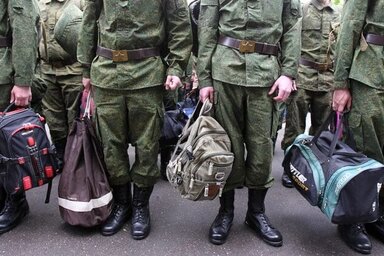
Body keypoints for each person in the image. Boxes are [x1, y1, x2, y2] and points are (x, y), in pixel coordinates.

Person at [77, 0, 192, 239]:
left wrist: (176, 67)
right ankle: (122, 204)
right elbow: (89, 19)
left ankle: (140, 206)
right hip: (107, 72)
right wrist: (86, 68)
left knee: (147, 145)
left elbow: (179, 23)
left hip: (147, 73)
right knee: (111, 144)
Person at [197, 0, 302, 246]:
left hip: (266, 76)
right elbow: (207, 29)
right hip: (225, 72)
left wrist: (288, 73)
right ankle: (225, 212)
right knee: (226, 147)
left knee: (262, 148)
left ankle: (256, 213)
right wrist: (204, 79)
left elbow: (293, 27)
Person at [333, 0, 384, 254]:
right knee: (365, 148)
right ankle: (352, 220)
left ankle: (376, 214)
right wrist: (340, 83)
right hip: (370, 72)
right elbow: (350, 26)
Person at [281, 0, 340, 188]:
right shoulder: (302, 10)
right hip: (302, 77)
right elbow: (289, 41)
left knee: (322, 130)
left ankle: (315, 170)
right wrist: (289, 74)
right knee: (294, 126)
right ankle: (290, 167)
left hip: (327, 80)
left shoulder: (339, 15)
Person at [0, 0, 40, 234]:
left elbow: (25, 26)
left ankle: (16, 202)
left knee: (7, 146)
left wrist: (23, 81)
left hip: (4, 73)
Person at [38, 0, 84, 169]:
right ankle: (61, 156)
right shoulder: (41, 3)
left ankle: (77, 159)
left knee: (76, 118)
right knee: (53, 119)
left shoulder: (81, 2)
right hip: (47, 70)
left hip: (73, 68)